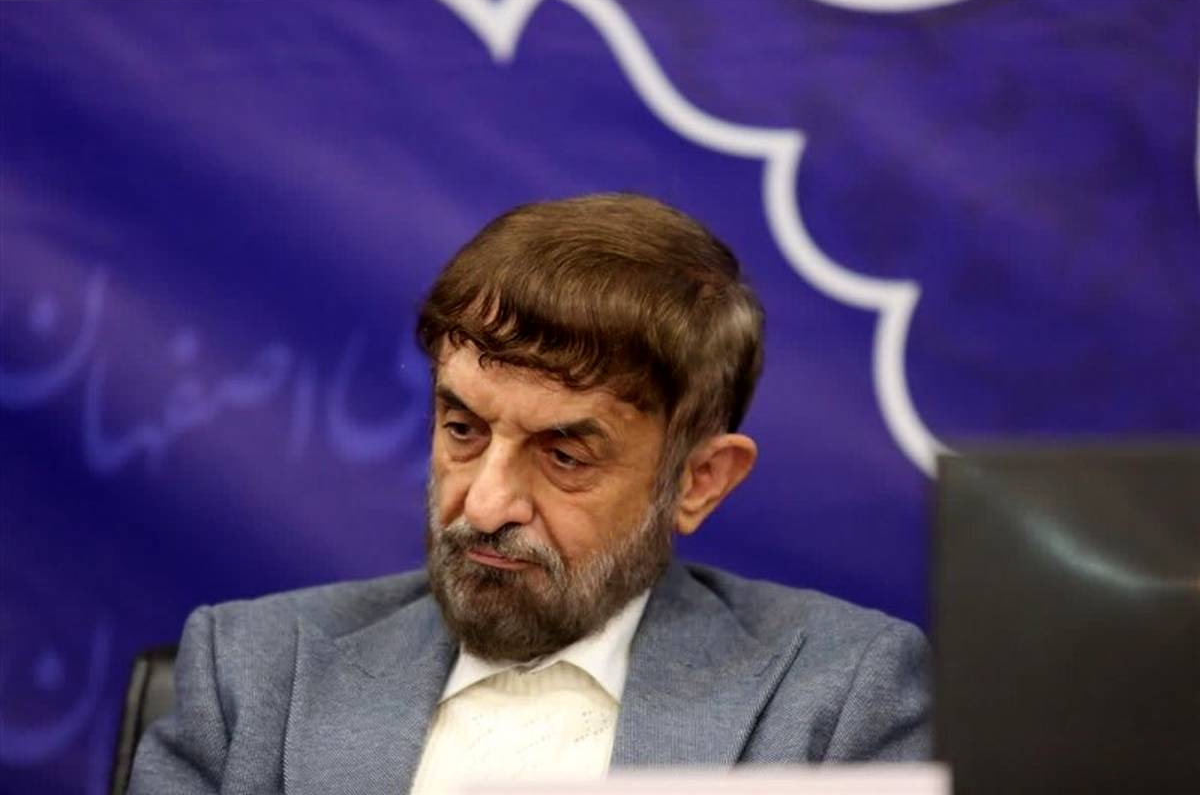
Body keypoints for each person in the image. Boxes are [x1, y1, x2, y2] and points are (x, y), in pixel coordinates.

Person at [130, 193, 931, 794]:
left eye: (565, 456)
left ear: (698, 481)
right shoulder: (253, 673)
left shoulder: (835, 697)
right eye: (463, 429)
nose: (484, 506)